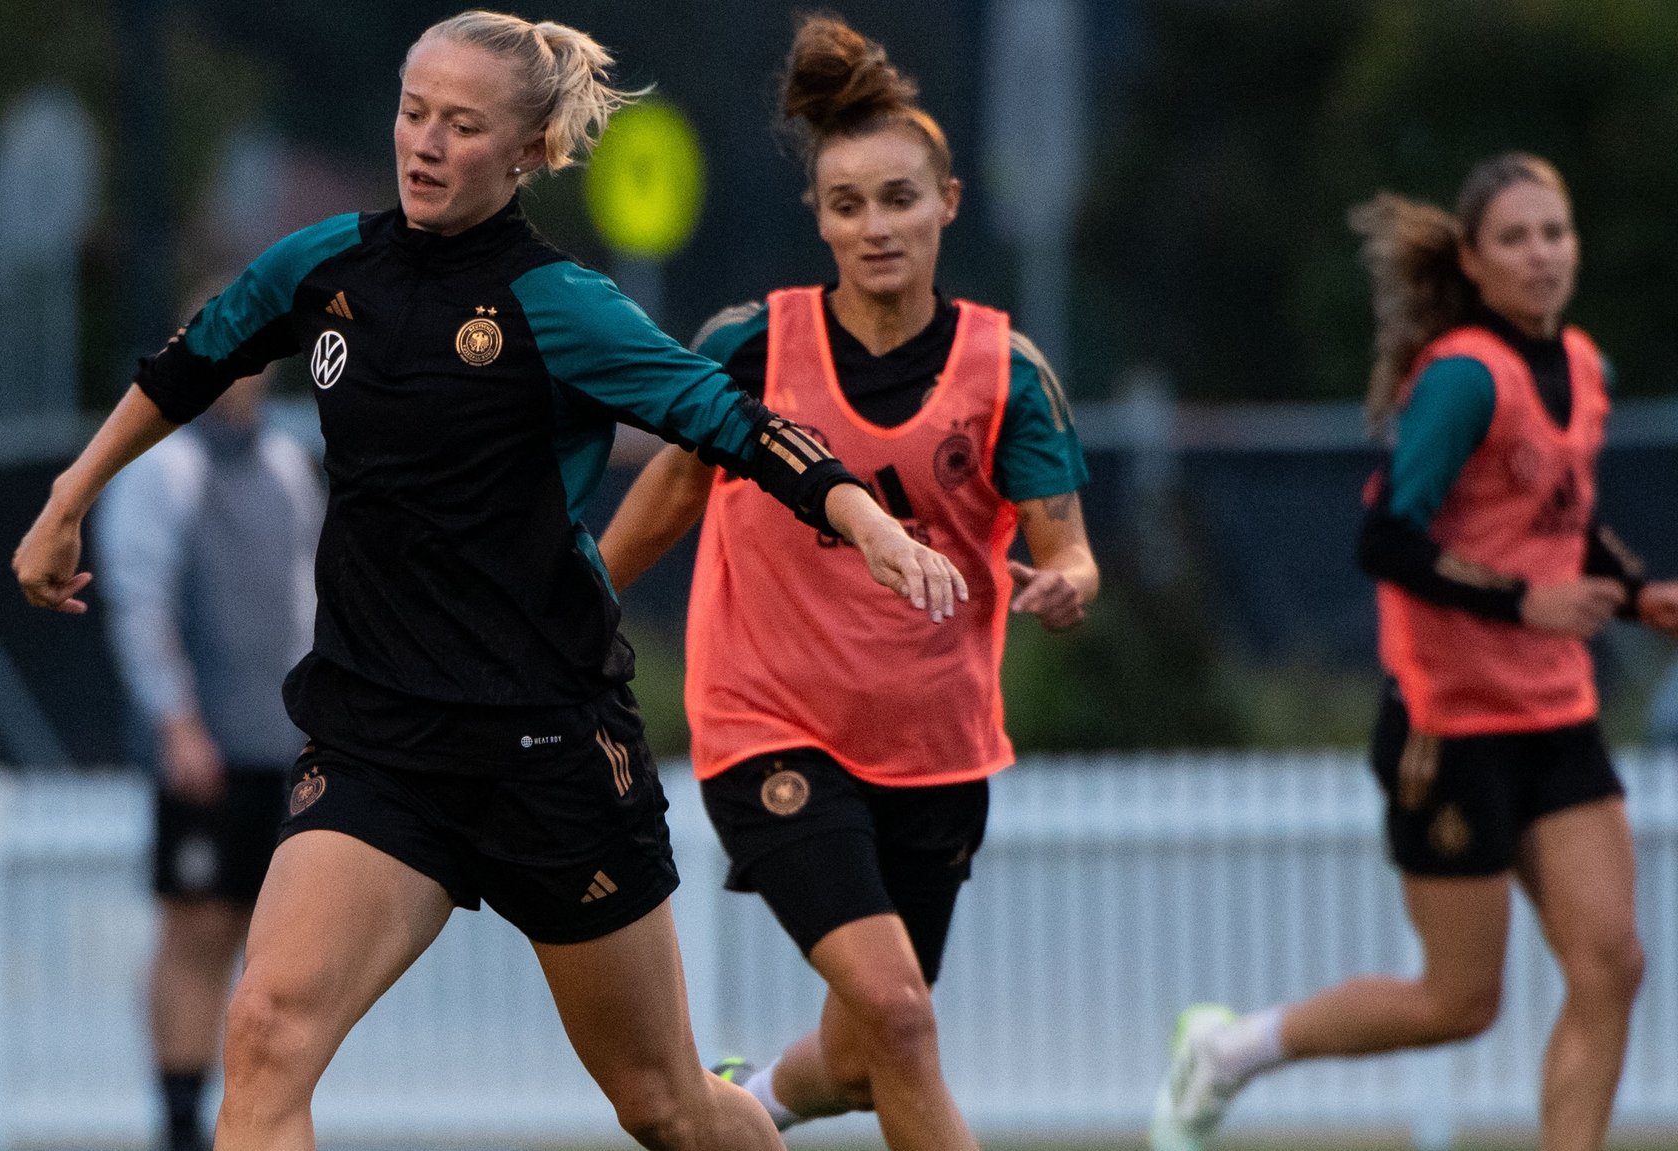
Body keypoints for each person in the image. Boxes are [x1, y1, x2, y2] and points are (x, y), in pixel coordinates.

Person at [11, 11, 972, 1151]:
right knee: (265, 1033)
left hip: (546, 751)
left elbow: (729, 420)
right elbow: (192, 357)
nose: (425, 142)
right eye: (414, 113)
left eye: (462, 126)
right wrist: (70, 495)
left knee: (663, 1104)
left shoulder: (558, 305)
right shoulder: (326, 267)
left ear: (527, 153)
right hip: (380, 743)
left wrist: (865, 520)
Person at [596, 17, 1097, 1151]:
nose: (875, 225)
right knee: (904, 1018)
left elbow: (1067, 542)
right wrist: (574, 602)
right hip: (768, 729)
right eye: (847, 203)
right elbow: (673, 490)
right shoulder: (751, 346)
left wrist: (1065, 580)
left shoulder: (1003, 373)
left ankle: (754, 1094)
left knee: (872, 1054)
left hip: (937, 746)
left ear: (947, 204)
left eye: (898, 198)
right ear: (818, 219)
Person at [1151, 153, 1678, 1151]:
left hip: (1555, 716)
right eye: (1513, 238)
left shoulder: (1580, 368)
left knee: (1611, 963)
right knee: (1455, 999)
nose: (1539, 254)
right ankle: (1229, 1050)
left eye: (1553, 232)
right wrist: (1530, 600)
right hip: (1450, 726)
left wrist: (1634, 592)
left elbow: (1552, 519)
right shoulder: (1461, 381)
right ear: (1472, 264)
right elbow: (1385, 538)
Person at [94, 366, 324, 1151]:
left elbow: (309, 599)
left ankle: (253, 1117)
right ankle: (182, 1120)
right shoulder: (164, 467)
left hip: (281, 743)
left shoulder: (289, 465)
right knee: (197, 931)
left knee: (276, 944)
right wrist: (176, 721)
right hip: (205, 746)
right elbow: (141, 598)